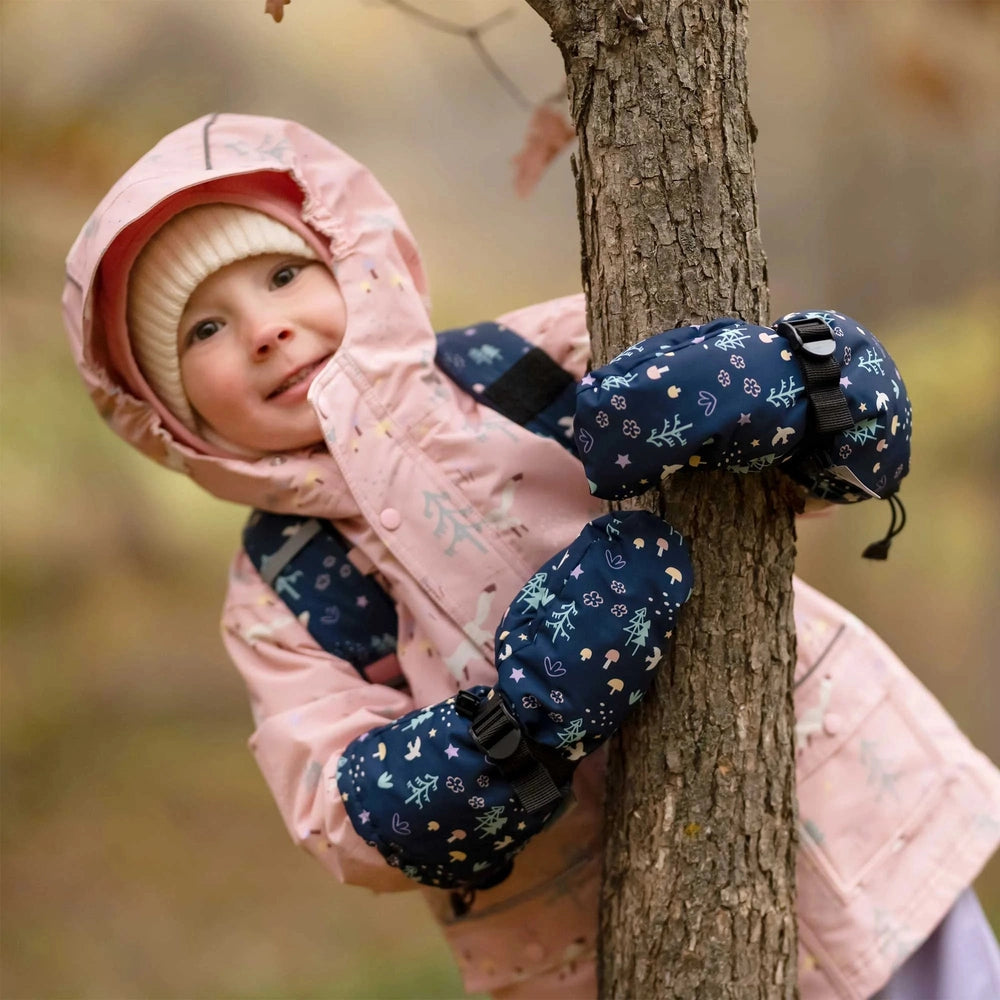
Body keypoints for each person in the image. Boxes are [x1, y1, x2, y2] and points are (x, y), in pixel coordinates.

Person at [64, 113, 1000, 999]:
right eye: (204, 330)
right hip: (603, 933)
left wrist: (789, 391)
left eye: (279, 277)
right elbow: (340, 809)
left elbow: (845, 453)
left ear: (351, 263)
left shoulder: (524, 364)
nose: (264, 328)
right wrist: (519, 725)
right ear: (167, 409)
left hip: (841, 807)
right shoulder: (282, 587)